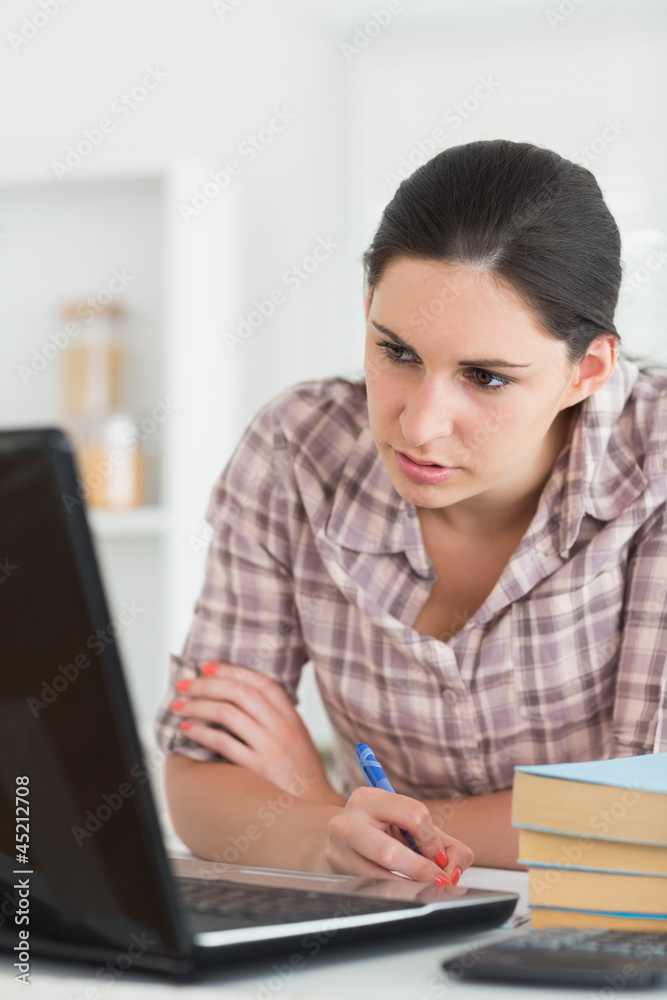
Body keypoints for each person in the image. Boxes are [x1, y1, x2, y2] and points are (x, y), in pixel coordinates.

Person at [155, 139, 667, 886]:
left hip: (606, 940)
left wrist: (328, 806)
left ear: (585, 370)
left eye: (485, 377)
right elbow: (203, 776)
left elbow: (646, 816)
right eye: (396, 352)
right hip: (388, 931)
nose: (418, 425)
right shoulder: (295, 450)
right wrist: (324, 835)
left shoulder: (651, 463)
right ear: (367, 310)